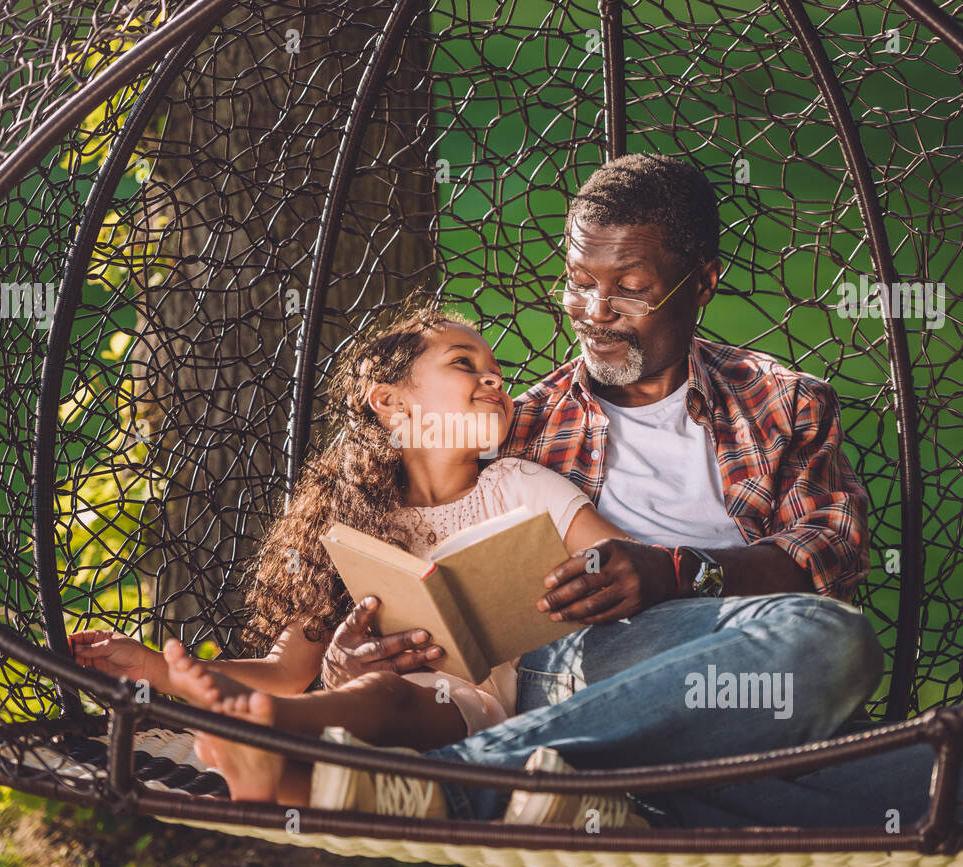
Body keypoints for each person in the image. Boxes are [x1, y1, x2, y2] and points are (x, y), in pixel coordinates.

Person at [318, 153, 963, 829]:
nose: (595, 312)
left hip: (747, 684)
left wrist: (677, 572)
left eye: (630, 286)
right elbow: (416, 528)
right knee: (833, 643)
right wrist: (351, 656)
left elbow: (830, 554)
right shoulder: (522, 425)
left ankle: (619, 794)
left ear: (702, 282)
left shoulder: (784, 403)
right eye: (580, 284)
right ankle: (467, 785)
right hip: (583, 665)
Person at [71, 299, 650, 825]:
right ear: (391, 401)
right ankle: (270, 756)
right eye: (463, 363)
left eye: (495, 369)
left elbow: (624, 561)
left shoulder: (520, 485)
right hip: (354, 728)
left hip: (472, 713)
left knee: (386, 693)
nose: (492, 377)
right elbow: (285, 671)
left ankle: (258, 726)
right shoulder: (351, 519)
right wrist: (155, 669)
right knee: (362, 706)